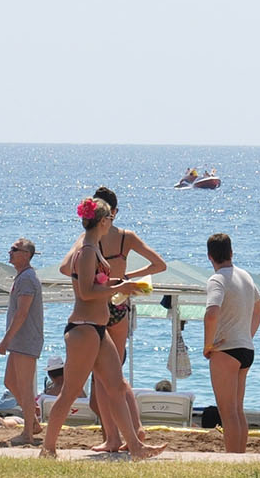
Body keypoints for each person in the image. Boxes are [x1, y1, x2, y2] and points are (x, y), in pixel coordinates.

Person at [39, 196, 163, 460]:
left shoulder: (92, 247)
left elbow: (96, 283)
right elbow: (85, 292)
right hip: (83, 328)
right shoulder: (86, 251)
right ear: (104, 220)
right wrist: (121, 287)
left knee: (116, 387)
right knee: (70, 392)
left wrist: (122, 283)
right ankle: (47, 448)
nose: (112, 222)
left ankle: (136, 447)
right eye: (110, 218)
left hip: (97, 327)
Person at [89, 186, 167, 451]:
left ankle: (112, 437)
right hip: (120, 305)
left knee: (102, 378)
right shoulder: (126, 237)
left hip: (99, 304)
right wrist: (127, 277)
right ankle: (135, 428)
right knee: (116, 373)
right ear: (115, 211)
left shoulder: (91, 238)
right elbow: (159, 265)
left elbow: (74, 271)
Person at [201, 230, 260, 456]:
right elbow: (259, 308)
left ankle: (232, 457)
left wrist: (208, 345)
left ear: (210, 256)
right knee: (237, 410)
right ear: (231, 252)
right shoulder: (245, 276)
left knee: (227, 412)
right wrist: (247, 334)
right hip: (245, 347)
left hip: (226, 349)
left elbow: (211, 314)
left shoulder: (217, 279)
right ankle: (240, 456)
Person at [0, 236, 43, 448]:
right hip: (20, 340)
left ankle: (28, 433)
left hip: (26, 339)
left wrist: (6, 340)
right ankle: (33, 422)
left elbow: (22, 313)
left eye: (15, 249)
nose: (10, 252)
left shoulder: (27, 278)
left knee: (24, 387)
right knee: (10, 382)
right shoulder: (22, 277)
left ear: (26, 255)